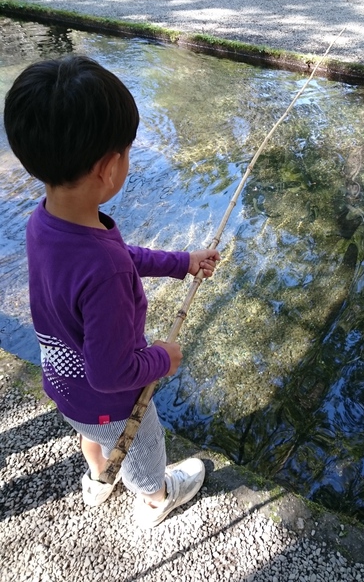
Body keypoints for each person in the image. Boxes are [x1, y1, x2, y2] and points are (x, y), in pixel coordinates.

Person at [3, 55, 221, 529]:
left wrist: (182, 263)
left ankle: (98, 478)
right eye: (126, 150)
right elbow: (111, 372)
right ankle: (155, 498)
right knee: (145, 449)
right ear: (107, 168)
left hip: (62, 385)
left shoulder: (44, 220)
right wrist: (165, 357)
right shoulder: (106, 270)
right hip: (112, 403)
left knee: (92, 441)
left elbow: (120, 254)